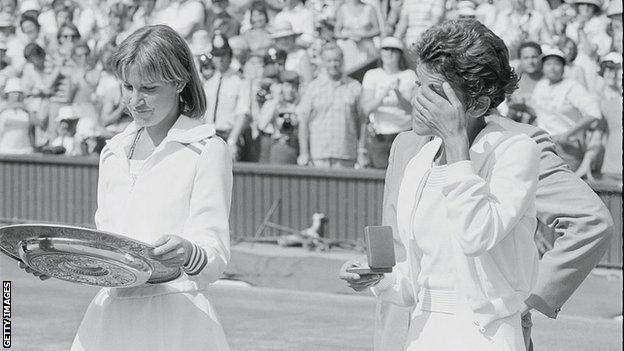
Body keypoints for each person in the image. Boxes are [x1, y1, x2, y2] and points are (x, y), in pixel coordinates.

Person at [343, 24, 613, 351]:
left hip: (487, 333)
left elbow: (587, 221)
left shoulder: (520, 146)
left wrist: (529, 298)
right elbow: (410, 260)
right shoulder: (410, 150)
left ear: (478, 104)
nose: (418, 99)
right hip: (414, 332)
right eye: (418, 84)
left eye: (434, 90)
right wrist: (377, 278)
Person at [17, 24, 233, 351]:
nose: (135, 100)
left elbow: (213, 253)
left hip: (176, 321)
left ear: (180, 82)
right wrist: (60, 263)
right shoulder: (112, 150)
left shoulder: (206, 149)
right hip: (108, 321)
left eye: (148, 88)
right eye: (128, 86)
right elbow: (108, 249)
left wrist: (187, 251)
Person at [530, 47, 602, 171]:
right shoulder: (541, 86)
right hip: (543, 145)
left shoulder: (572, 86)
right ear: (543, 67)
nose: (552, 68)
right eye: (548, 63)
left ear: (564, 67)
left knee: (568, 186)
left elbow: (594, 113)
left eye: (557, 63)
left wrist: (567, 135)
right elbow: (538, 113)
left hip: (567, 147)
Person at [297, 43, 363, 168]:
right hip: (318, 155)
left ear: (342, 61)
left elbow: (361, 121)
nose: (333, 64)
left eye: (336, 60)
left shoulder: (354, 87)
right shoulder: (313, 88)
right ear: (322, 62)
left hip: (346, 154)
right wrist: (304, 153)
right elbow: (303, 122)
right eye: (329, 61)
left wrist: (361, 151)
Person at [360, 36, 415, 168]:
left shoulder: (409, 75)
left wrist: (397, 94)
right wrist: (383, 95)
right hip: (378, 135)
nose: (389, 52)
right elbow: (366, 109)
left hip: (404, 133)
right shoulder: (371, 75)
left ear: (400, 54)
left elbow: (411, 110)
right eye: (385, 49)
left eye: (394, 50)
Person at [334, 0, 379, 72]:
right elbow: (336, 33)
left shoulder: (369, 8)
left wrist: (364, 35)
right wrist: (348, 35)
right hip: (349, 48)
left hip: (366, 48)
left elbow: (377, 30)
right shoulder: (342, 9)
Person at [0, 77, 36, 154]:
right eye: (13, 92)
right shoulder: (2, 107)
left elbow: (34, 126)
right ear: (7, 93)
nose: (16, 95)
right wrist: (12, 106)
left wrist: (27, 109)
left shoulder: (26, 109)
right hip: (4, 150)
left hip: (24, 150)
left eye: (18, 92)